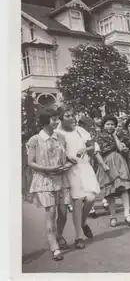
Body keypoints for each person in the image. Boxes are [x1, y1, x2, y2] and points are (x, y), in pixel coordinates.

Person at [26, 108, 72, 261]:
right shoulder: (35, 140)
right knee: (51, 213)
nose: (57, 122)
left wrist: (67, 164)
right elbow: (30, 162)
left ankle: (58, 235)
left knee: (64, 213)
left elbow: (64, 157)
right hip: (44, 180)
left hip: (61, 179)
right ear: (45, 121)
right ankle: (54, 247)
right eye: (53, 119)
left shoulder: (60, 137)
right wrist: (48, 169)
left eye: (57, 119)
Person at [57, 106, 100, 249]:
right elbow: (58, 152)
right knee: (77, 200)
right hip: (71, 169)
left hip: (85, 166)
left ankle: (82, 222)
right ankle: (78, 236)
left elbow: (93, 146)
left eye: (72, 115)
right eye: (68, 116)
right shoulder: (58, 133)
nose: (72, 118)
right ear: (61, 118)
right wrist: (67, 157)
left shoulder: (80, 131)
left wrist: (85, 149)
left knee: (91, 197)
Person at [94, 115, 130, 227]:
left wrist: (115, 136)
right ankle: (113, 216)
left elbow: (121, 148)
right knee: (110, 192)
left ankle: (127, 214)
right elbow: (97, 152)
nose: (110, 126)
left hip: (118, 161)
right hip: (107, 162)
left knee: (124, 187)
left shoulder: (117, 136)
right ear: (103, 125)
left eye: (112, 124)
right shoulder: (98, 137)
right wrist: (103, 165)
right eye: (108, 124)